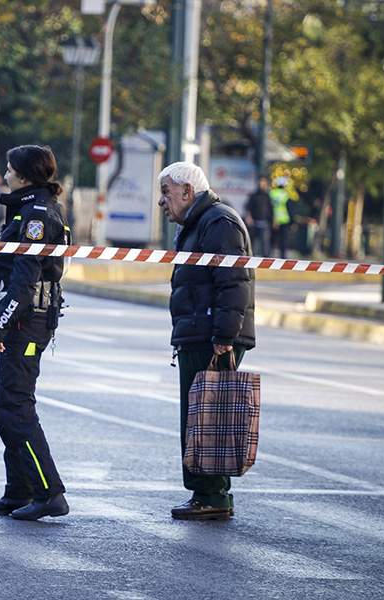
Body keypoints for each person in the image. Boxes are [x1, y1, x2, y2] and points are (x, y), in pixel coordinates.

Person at [0, 145, 69, 521]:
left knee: (15, 407)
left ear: (26, 177)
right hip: (25, 317)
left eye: (10, 170)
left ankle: (50, 492)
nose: (5, 175)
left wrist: (0, 324)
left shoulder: (37, 215)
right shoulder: (26, 209)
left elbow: (24, 283)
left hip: (28, 320)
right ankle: (19, 491)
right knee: (6, 406)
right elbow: (3, 264)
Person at [157, 161, 255, 521]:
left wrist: (224, 337)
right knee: (201, 415)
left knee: (209, 415)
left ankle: (212, 495)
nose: (161, 202)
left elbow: (234, 282)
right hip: (202, 333)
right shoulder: (200, 223)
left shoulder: (218, 222)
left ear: (188, 191)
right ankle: (207, 493)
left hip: (212, 335)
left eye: (166, 193)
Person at [244, 176, 272, 257]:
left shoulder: (267, 196)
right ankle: (251, 258)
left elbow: (271, 209)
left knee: (265, 243)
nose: (261, 184)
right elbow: (248, 208)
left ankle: (266, 259)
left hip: (265, 223)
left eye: (263, 183)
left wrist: (273, 220)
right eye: (260, 182)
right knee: (253, 242)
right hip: (254, 223)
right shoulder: (253, 195)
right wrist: (249, 218)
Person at [270, 176, 292, 258]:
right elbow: (289, 208)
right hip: (284, 220)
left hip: (273, 220)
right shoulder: (285, 195)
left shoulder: (272, 193)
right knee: (284, 240)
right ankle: (283, 258)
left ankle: (270, 256)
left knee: (273, 240)